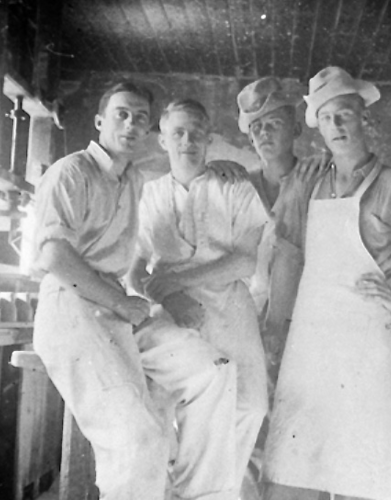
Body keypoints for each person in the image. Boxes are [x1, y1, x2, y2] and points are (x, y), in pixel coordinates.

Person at [33, 81, 236, 500]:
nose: (130, 124)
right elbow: (53, 256)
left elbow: (135, 263)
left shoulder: (134, 180)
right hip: (71, 309)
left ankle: (202, 495)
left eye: (140, 118)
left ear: (148, 131)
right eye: (121, 114)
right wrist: (120, 302)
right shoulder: (72, 171)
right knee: (138, 439)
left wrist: (224, 168)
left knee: (213, 371)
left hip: (115, 310)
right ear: (99, 121)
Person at [262, 67, 391, 500]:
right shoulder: (307, 182)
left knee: (361, 474)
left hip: (369, 344)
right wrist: (274, 328)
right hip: (311, 343)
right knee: (293, 469)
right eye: (327, 118)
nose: (337, 125)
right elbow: (288, 256)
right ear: (318, 127)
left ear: (365, 118)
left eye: (345, 114)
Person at [128, 98, 270, 499]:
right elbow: (135, 269)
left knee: (249, 406)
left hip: (229, 306)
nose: (187, 141)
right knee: (176, 408)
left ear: (209, 139)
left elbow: (244, 260)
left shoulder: (235, 187)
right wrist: (168, 297)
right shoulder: (149, 194)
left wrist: (174, 281)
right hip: (172, 314)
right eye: (178, 133)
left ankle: (218, 494)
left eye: (196, 133)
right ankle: (183, 492)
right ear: (163, 140)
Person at [236, 77, 324, 382]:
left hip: (305, 314)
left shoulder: (316, 177)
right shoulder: (241, 186)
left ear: (296, 129)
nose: (264, 133)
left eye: (274, 123)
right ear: (250, 139)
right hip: (248, 314)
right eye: (257, 127)